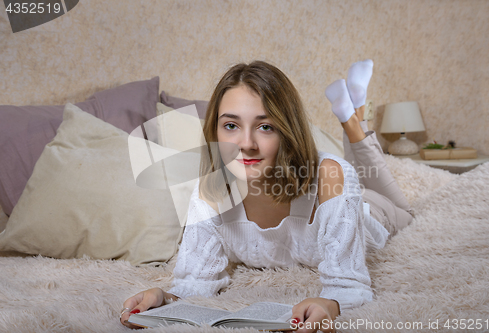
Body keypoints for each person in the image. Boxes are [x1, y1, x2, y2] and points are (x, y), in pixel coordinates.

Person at [120, 60, 414, 332]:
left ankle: (353, 121)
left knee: (401, 207)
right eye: (231, 126)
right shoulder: (210, 190)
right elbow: (196, 281)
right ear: (215, 131)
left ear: (287, 131)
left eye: (265, 127)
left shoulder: (330, 175)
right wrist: (164, 297)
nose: (246, 144)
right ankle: (354, 109)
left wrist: (332, 303)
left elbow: (349, 285)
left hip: (373, 213)